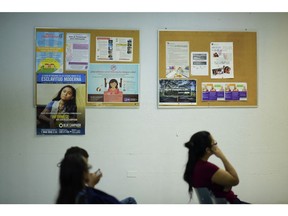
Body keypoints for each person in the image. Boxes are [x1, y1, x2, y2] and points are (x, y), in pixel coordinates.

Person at [183, 131, 249, 204]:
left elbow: (227, 183)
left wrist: (226, 185)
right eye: (214, 143)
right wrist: (221, 156)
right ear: (208, 150)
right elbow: (235, 180)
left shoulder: (195, 166)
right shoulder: (207, 168)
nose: (216, 145)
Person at [56, 146, 137, 204]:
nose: (88, 171)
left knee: (130, 200)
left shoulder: (66, 192)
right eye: (86, 167)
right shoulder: (84, 196)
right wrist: (91, 185)